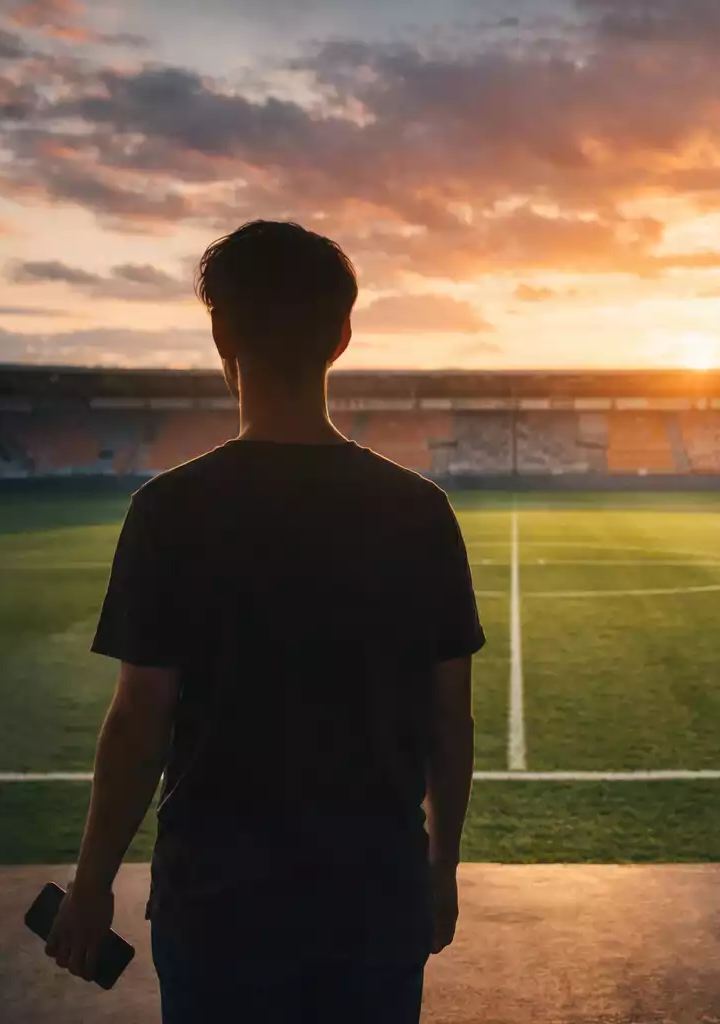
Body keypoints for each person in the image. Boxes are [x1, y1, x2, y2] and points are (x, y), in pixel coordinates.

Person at [44, 221, 483, 1022]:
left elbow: (140, 722)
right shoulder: (421, 512)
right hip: (373, 891)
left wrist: (92, 884)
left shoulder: (168, 512)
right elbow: (448, 717)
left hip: (218, 899)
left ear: (221, 335)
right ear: (342, 336)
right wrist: (440, 865)